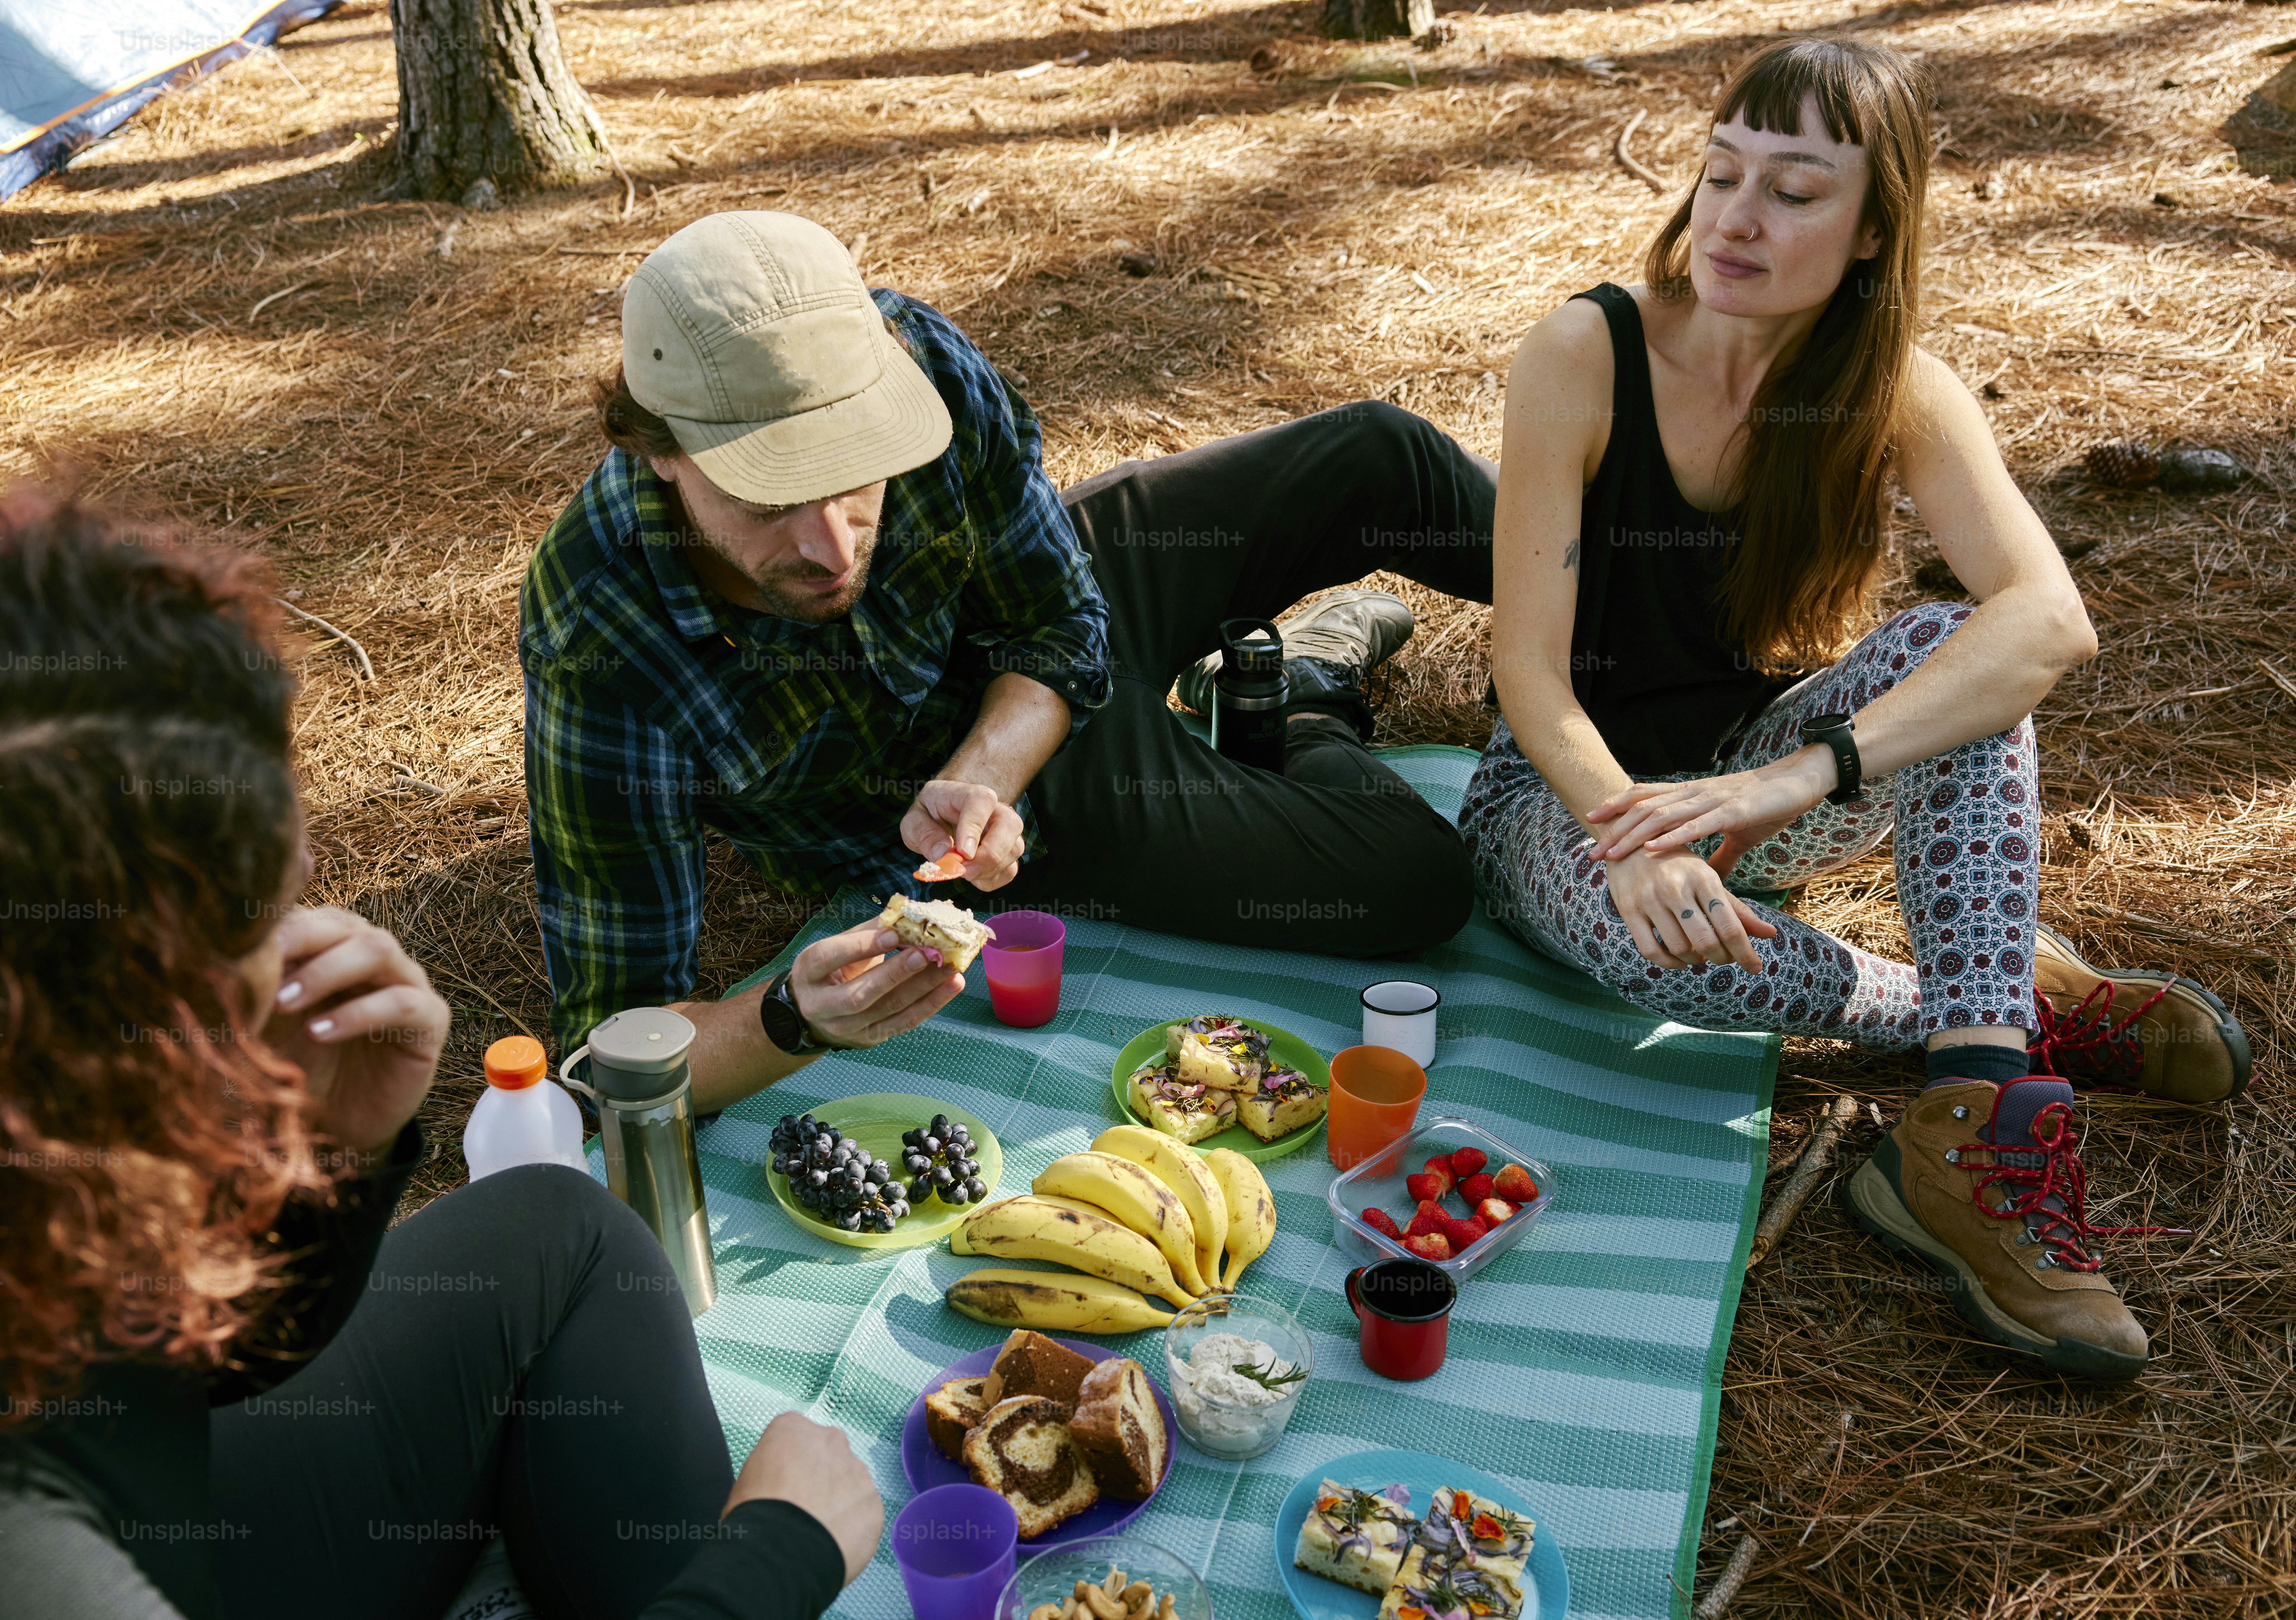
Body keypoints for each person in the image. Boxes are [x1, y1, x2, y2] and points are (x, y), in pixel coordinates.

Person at [0, 494, 885, 1620]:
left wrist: (327, 1163)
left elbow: (179, 1371)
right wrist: (769, 1560)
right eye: (254, 934)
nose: (304, 940)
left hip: (185, 1516)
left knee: (554, 1226)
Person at [1467, 38, 2249, 1379]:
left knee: (1969, 653)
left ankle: (1960, 1139)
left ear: (1873, 227)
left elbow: (2046, 620)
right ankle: (2005, 1017)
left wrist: (1795, 778)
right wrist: (1627, 829)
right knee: (1641, 941)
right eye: (1720, 175)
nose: (1734, 217)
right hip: (1563, 792)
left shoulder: (1894, 387)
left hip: (1746, 782)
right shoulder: (1582, 352)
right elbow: (1526, 672)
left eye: (1793, 189)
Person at [522, 209, 1503, 1070]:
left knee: (1383, 458)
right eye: (769, 495)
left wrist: (985, 767)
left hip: (1030, 660)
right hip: (1005, 829)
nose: (829, 548)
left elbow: (1057, 616)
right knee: (1414, 880)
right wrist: (791, 1018)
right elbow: (618, 1044)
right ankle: (1304, 696)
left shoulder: (917, 355)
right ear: (656, 448)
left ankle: (1645, 658)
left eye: (858, 470)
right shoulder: (600, 638)